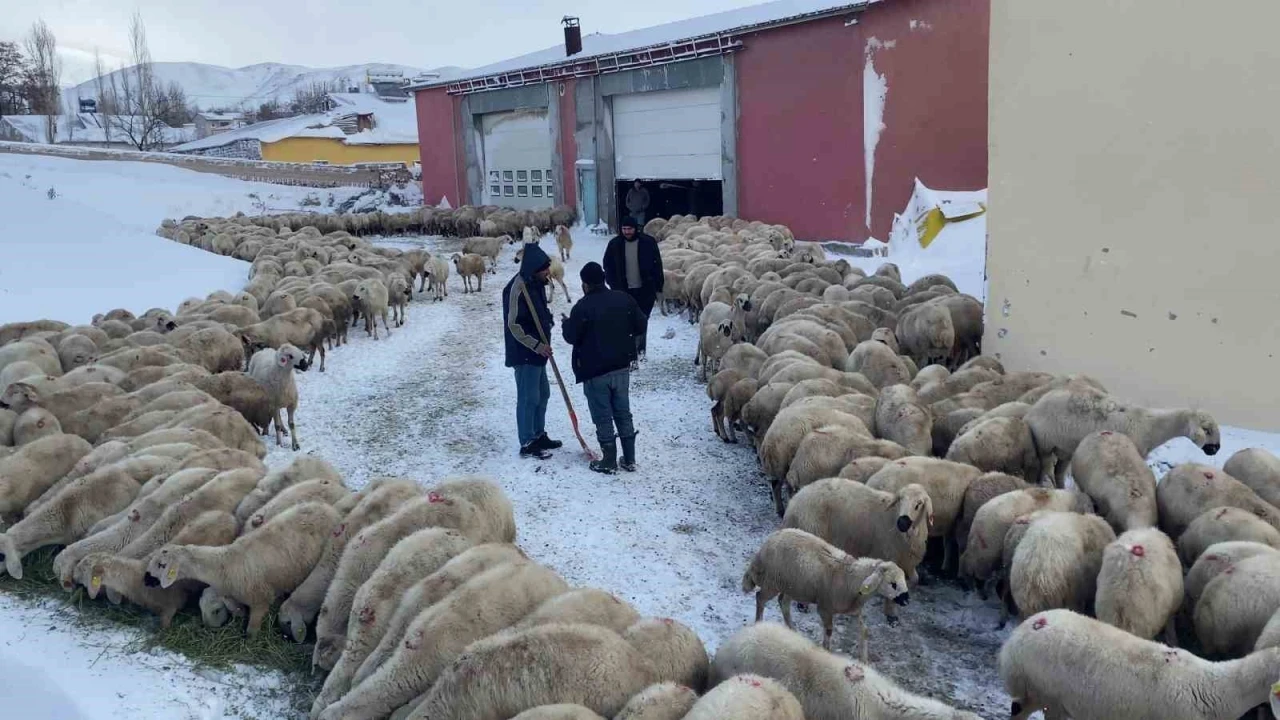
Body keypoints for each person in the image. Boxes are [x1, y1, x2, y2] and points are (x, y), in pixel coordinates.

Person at [561, 261, 646, 473]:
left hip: (595, 370)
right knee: (623, 411)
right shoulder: (623, 299)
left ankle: (608, 460)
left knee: (602, 415)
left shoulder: (582, 307)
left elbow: (571, 336)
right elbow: (641, 323)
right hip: (621, 366)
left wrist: (566, 324)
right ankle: (629, 458)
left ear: (585, 284)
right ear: (604, 279)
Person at [502, 242, 562, 460]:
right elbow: (514, 324)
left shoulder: (536, 284)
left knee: (542, 394)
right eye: (545, 268)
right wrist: (536, 345)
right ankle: (527, 441)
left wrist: (548, 321)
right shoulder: (517, 288)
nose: (548, 272)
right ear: (534, 268)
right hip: (524, 351)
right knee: (528, 397)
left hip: (539, 351)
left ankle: (538, 434)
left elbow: (539, 312)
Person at [602, 215, 663, 362]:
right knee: (626, 322)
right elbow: (607, 265)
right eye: (624, 229)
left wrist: (658, 286)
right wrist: (612, 283)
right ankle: (630, 353)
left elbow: (657, 265)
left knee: (642, 320)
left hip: (644, 289)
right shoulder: (615, 245)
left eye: (629, 229)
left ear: (636, 228)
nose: (627, 232)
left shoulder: (648, 243)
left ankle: (641, 350)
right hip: (623, 290)